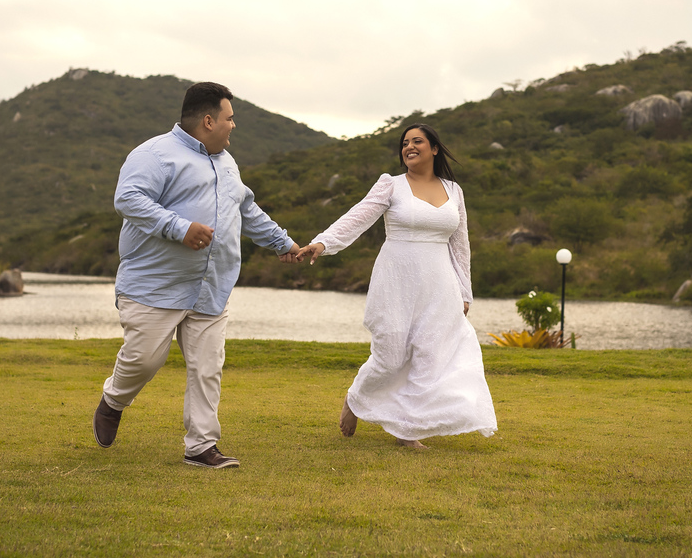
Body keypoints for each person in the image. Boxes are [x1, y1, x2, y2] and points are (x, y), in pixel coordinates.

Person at [93, 82, 300, 469]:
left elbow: (247, 210)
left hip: (211, 287)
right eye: (229, 118)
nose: (233, 126)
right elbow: (128, 199)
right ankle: (114, 400)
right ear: (208, 121)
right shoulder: (154, 154)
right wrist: (179, 227)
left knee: (208, 367)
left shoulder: (227, 162)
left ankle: (201, 446)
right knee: (144, 361)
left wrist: (282, 243)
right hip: (155, 285)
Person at [295, 124, 497, 448]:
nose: (409, 147)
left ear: (434, 148)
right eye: (405, 143)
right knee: (390, 354)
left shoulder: (454, 191)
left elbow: (460, 246)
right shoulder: (391, 185)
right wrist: (322, 243)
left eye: (417, 141)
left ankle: (407, 430)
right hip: (396, 279)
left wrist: (464, 292)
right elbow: (358, 216)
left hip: (439, 283)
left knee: (429, 355)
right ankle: (356, 397)